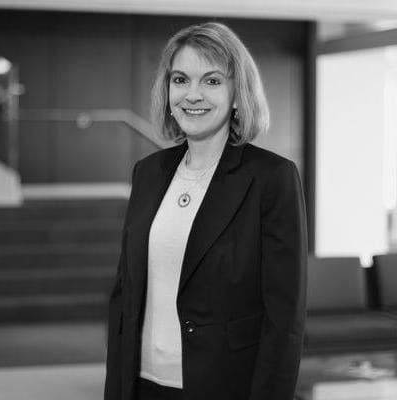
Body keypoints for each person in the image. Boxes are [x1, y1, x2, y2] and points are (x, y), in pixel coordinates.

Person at [104, 21, 307, 400]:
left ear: (237, 94)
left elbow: (285, 317)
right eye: (180, 80)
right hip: (141, 383)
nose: (192, 94)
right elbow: (124, 295)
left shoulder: (271, 177)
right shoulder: (148, 173)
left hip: (223, 385)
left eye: (212, 81)